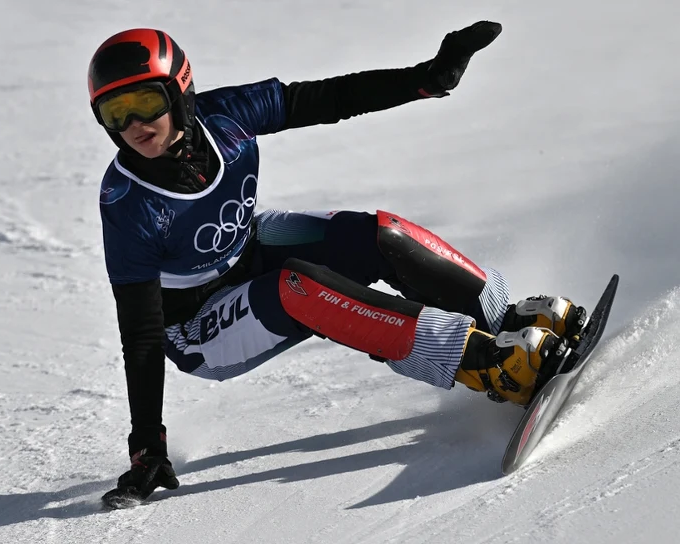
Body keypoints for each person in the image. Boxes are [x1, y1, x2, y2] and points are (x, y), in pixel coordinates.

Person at [87, 22, 587, 501]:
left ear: (180, 92)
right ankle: (488, 365)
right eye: (115, 113)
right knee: (298, 288)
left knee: (377, 234)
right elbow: (143, 332)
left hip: (249, 248)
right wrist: (147, 445)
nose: (133, 125)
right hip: (195, 329)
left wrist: (424, 80)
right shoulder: (128, 204)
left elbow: (327, 99)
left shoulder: (227, 115)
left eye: (145, 103)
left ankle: (505, 319)